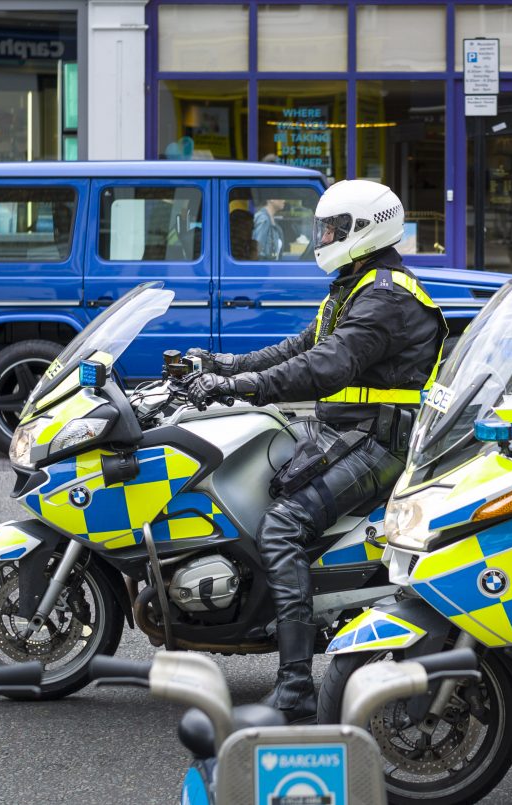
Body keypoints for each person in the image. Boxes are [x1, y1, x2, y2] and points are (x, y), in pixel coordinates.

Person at [184, 179, 446, 722]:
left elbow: (326, 367)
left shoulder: (384, 297)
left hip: (377, 441)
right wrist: (222, 367)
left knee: (281, 526)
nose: (322, 237)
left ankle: (296, 685)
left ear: (365, 228)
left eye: (331, 228)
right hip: (347, 430)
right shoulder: (358, 285)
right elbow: (303, 345)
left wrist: (238, 389)